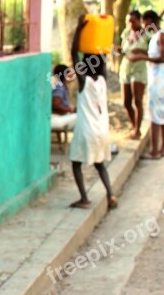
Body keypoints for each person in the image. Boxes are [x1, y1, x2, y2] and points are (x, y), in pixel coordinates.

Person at [68, 16, 118, 210]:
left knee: (75, 163)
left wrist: (80, 29)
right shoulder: (102, 81)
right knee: (100, 165)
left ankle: (84, 198)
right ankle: (111, 195)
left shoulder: (84, 82)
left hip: (86, 130)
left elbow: (73, 53)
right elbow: (103, 58)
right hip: (102, 130)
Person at [127, 10, 164, 159]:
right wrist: (142, 53)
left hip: (160, 82)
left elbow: (162, 57)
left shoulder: (161, 35)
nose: (144, 26)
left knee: (155, 117)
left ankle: (155, 151)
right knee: (162, 114)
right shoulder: (157, 36)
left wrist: (142, 56)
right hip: (160, 81)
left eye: (145, 23)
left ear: (150, 21)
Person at [118, 10, 148, 139]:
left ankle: (137, 130)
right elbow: (123, 50)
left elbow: (154, 54)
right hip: (125, 68)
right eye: (128, 21)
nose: (130, 23)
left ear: (139, 21)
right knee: (126, 101)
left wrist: (141, 52)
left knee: (138, 100)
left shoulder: (147, 35)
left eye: (133, 21)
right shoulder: (126, 33)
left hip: (139, 69)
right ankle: (133, 125)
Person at [51, 64, 77, 130]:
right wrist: (70, 109)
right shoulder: (59, 87)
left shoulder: (63, 87)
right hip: (55, 119)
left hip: (59, 117)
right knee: (81, 116)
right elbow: (55, 106)